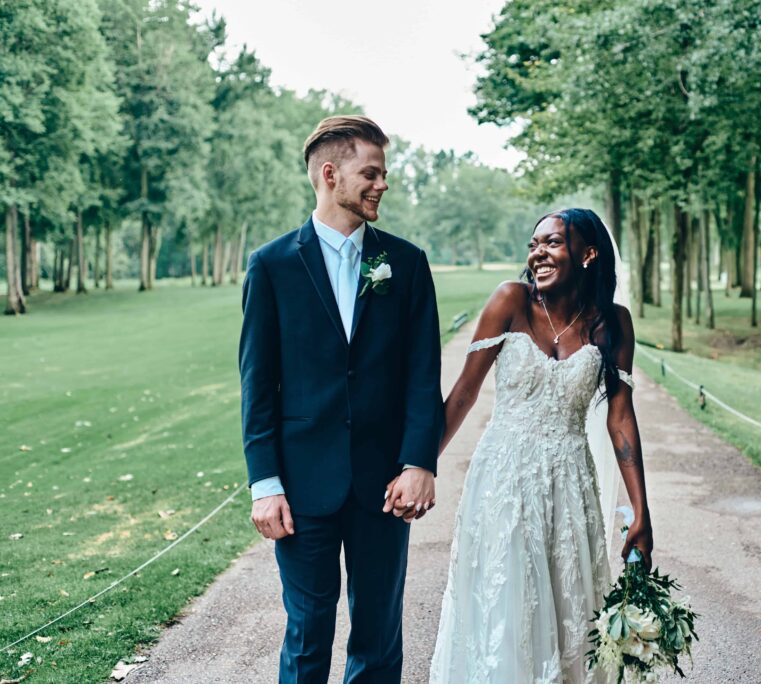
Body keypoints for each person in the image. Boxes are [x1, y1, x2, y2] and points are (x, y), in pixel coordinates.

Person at [238, 115, 444, 684]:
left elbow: (423, 375)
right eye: (370, 173)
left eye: (383, 174)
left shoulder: (406, 264)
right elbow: (257, 386)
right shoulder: (272, 265)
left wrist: (419, 462)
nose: (382, 185)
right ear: (330, 175)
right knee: (307, 633)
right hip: (303, 486)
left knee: (378, 633)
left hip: (385, 486)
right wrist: (265, 484)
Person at [422, 208, 654, 683]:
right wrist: (419, 466)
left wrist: (640, 511)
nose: (538, 253)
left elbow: (621, 417)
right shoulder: (511, 300)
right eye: (534, 244)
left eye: (552, 243)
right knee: (506, 603)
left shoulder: (612, 324)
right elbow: (464, 393)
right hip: (502, 482)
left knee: (570, 606)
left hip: (572, 484)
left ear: (588, 254)